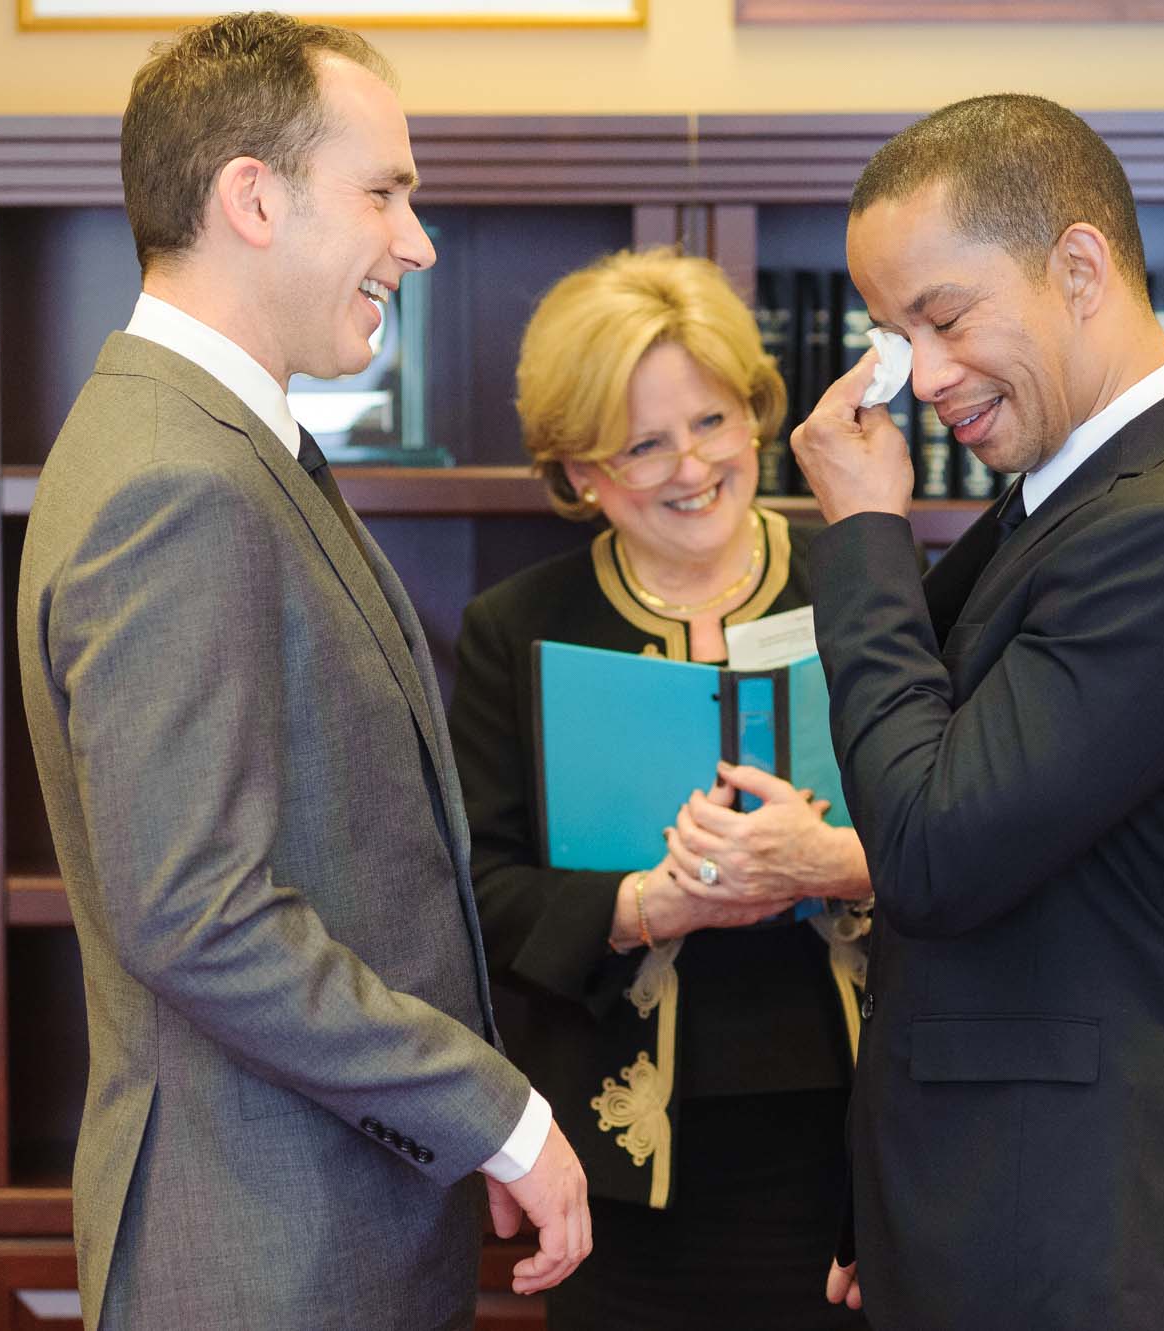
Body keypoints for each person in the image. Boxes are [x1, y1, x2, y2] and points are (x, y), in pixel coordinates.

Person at [14, 14, 589, 1329]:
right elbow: (197, 915)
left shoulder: (216, 442)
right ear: (252, 198)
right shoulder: (179, 478)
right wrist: (488, 1112)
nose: (417, 240)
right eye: (384, 192)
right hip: (264, 1263)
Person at [791, 95, 1164, 1330]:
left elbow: (928, 851)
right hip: (996, 1208)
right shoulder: (1085, 495)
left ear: (1077, 266)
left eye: (943, 316)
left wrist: (865, 534)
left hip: (1082, 1244)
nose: (920, 377)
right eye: (891, 332)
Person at [449, 248, 874, 1330]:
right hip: (622, 1165)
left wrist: (835, 857)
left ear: (753, 416)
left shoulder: (863, 582)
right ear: (580, 468)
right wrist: (643, 904)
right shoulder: (519, 628)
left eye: (712, 421)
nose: (692, 466)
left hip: (861, 1148)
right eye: (642, 443)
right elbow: (475, 890)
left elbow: (965, 825)